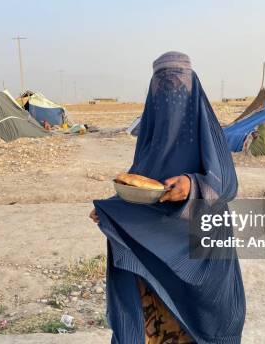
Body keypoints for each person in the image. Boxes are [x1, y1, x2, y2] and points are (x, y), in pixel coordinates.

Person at [90, 52, 245, 343]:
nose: (170, 95)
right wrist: (111, 213)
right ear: (153, 94)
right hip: (155, 263)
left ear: (193, 88)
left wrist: (192, 185)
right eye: (162, 87)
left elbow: (227, 186)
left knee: (204, 326)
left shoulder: (208, 135)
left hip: (202, 250)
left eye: (178, 85)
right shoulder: (150, 143)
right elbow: (140, 193)